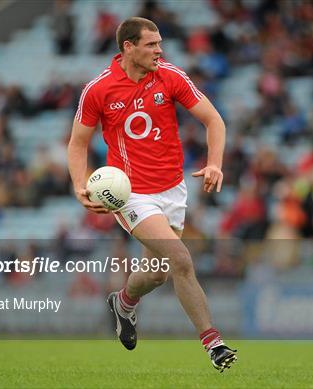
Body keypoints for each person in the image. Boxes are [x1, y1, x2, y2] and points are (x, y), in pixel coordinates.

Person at [67, 17, 237, 372]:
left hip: (173, 189)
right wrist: (78, 185)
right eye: (151, 44)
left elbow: (214, 121)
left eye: (160, 43)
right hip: (130, 194)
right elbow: (78, 142)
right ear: (128, 47)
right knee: (181, 259)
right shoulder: (98, 89)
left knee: (156, 273)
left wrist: (215, 163)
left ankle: (124, 302)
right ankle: (213, 343)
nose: (160, 50)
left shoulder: (171, 76)